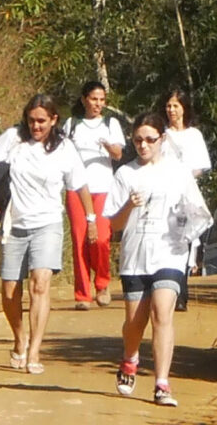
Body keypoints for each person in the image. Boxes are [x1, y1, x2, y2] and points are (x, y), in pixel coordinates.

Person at [0, 94, 97, 375]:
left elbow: (80, 184)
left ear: (54, 120)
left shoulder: (64, 148)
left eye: (42, 121)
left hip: (48, 223)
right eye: (31, 120)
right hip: (14, 225)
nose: (36, 126)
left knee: (39, 284)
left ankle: (34, 350)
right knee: (10, 291)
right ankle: (20, 338)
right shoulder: (13, 138)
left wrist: (90, 218)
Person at [104, 113, 212, 407]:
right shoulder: (125, 174)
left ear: (162, 139)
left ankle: (162, 383)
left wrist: (187, 235)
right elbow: (114, 224)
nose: (143, 145)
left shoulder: (178, 172)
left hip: (170, 254)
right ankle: (130, 358)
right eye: (138, 140)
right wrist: (129, 205)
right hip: (136, 257)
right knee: (134, 323)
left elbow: (199, 212)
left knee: (162, 314)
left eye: (150, 139)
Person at [63, 81, 125, 310]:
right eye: (93, 99)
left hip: (103, 188)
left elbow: (118, 154)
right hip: (76, 189)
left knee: (100, 239)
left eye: (102, 100)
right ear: (84, 100)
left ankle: (102, 283)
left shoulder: (110, 124)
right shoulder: (72, 124)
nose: (98, 104)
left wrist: (107, 145)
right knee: (80, 239)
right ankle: (82, 294)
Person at [161, 88, 211, 311]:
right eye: (168, 106)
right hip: (165, 196)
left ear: (184, 108)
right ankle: (170, 291)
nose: (171, 110)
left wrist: (184, 178)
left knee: (185, 242)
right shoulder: (161, 135)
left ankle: (182, 292)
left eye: (175, 106)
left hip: (187, 196)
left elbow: (201, 166)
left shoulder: (194, 135)